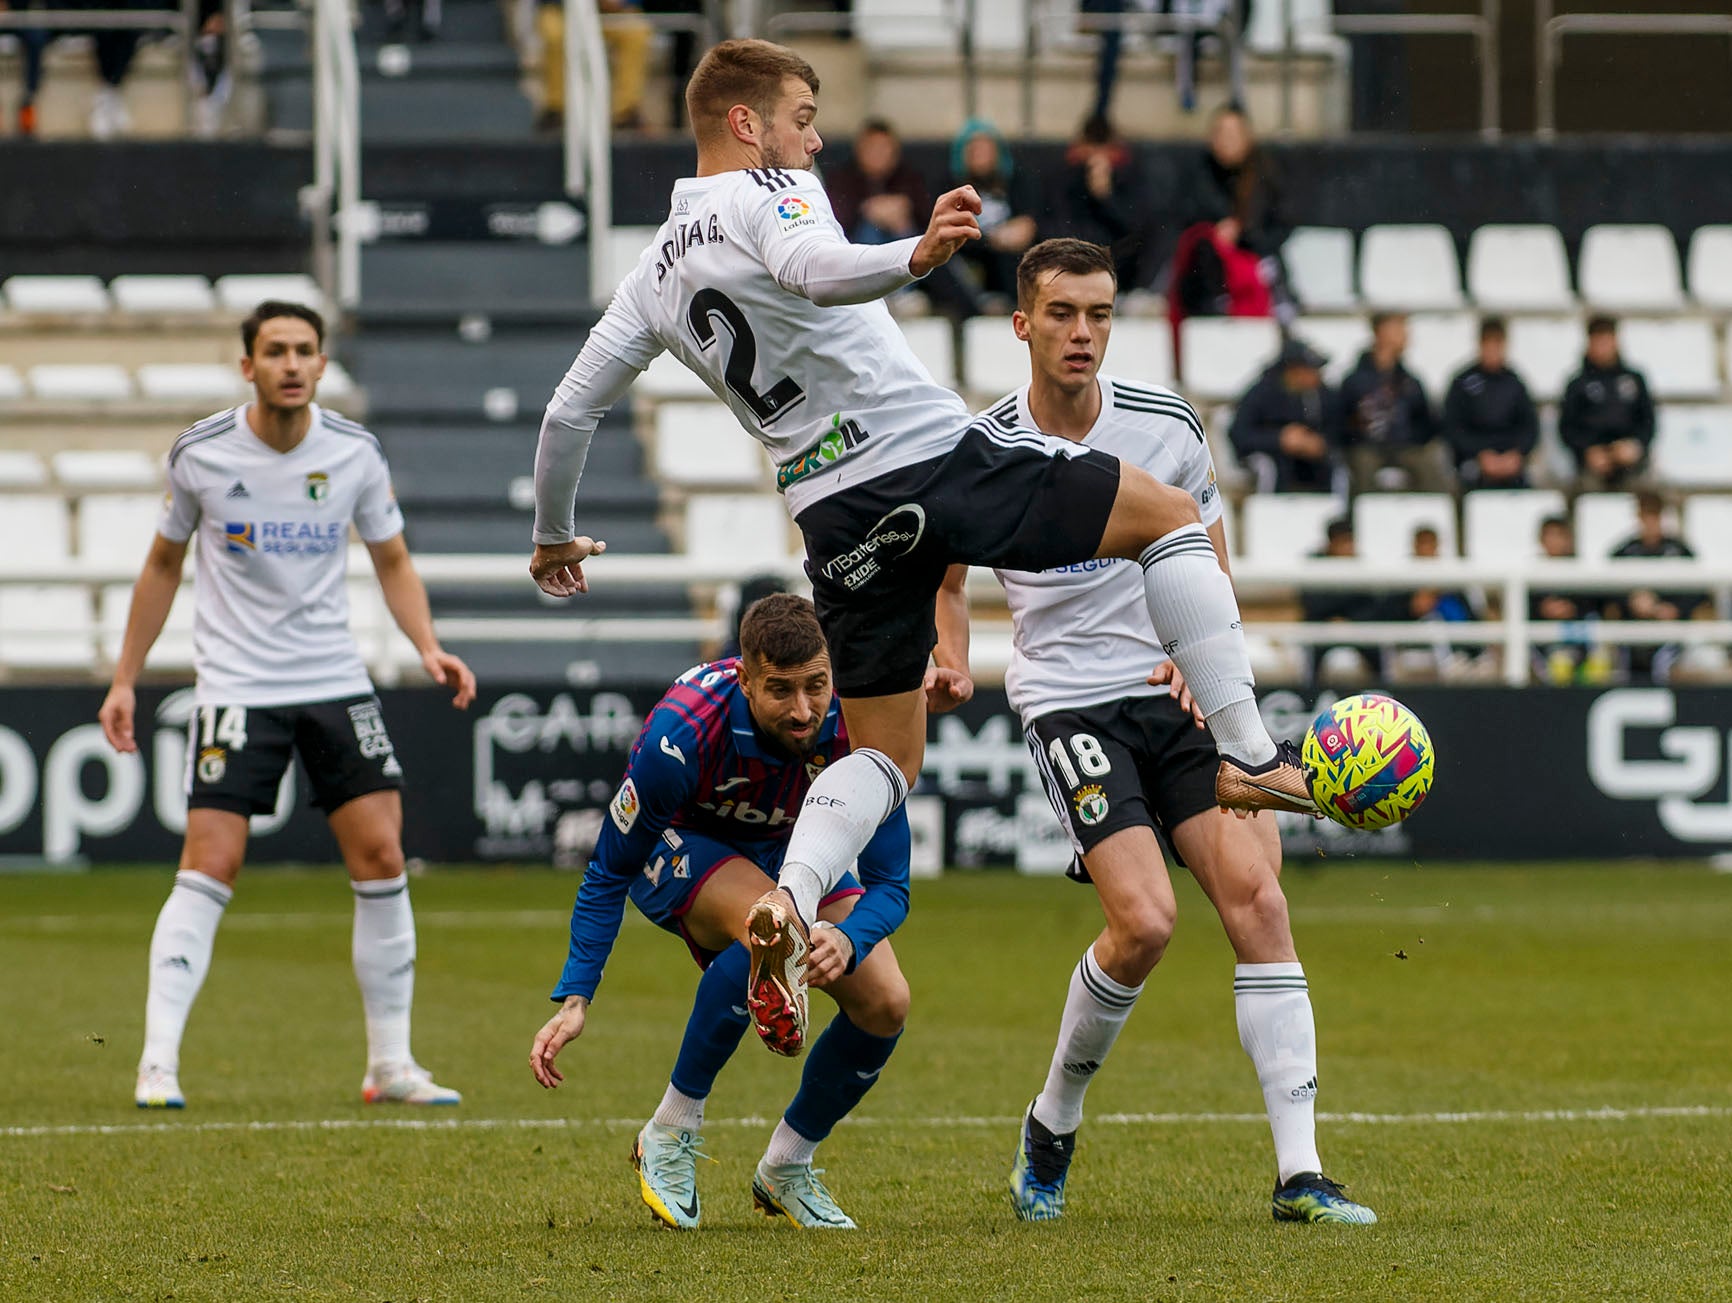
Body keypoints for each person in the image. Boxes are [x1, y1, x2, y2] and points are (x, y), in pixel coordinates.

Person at [529, 39, 1309, 1064]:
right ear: (747, 124)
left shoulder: (649, 276)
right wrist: (913, 257)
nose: (815, 136)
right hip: (926, 464)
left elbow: (569, 409)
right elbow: (813, 268)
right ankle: (1248, 755)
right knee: (1166, 514)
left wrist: (551, 536)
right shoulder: (770, 188)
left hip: (832, 519)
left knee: (885, 756)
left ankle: (791, 900)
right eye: (803, 114)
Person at [953, 237, 1374, 1225]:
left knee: (1260, 903)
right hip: (1066, 696)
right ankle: (1051, 1123)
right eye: (1061, 314)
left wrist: (1205, 668)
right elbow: (943, 568)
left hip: (1173, 691)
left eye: (1098, 314)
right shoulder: (985, 446)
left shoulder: (1168, 424)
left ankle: (1299, 1173)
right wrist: (941, 649)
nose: (1081, 332)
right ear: (1023, 324)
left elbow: (1208, 567)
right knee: (1144, 923)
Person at [99, 300, 477, 1110]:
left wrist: (426, 644)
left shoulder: (354, 454)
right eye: (276, 351)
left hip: (335, 678)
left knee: (380, 856)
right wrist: (126, 677)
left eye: (306, 350)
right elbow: (162, 565)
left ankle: (390, 1064)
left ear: (320, 362)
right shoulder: (201, 453)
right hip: (236, 685)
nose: (293, 364)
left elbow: (394, 558)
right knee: (210, 862)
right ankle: (157, 1062)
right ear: (249, 366)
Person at [528, 596, 913, 1230]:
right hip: (679, 847)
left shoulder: (863, 725)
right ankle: (669, 1130)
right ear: (744, 678)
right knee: (773, 921)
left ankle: (787, 1167)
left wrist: (849, 939)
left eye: (817, 686)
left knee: (886, 1002)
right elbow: (607, 870)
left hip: (791, 848)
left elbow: (891, 886)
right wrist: (577, 995)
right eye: (781, 691)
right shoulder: (681, 734)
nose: (803, 709)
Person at [825, 119, 979, 319]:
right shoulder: (842, 179)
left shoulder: (911, 178)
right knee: (871, 229)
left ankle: (906, 294)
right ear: (860, 150)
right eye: (872, 148)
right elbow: (836, 223)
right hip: (858, 257)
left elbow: (927, 219)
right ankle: (882, 295)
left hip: (909, 253)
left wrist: (902, 216)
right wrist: (868, 209)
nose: (878, 155)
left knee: (930, 245)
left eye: (884, 148)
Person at [1173, 104, 1288, 321]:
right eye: (1219, 133)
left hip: (1255, 261)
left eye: (1233, 134)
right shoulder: (1199, 176)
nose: (1226, 140)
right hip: (1211, 269)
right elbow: (1186, 221)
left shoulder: (1265, 178)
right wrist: (1217, 232)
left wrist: (1242, 233)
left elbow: (1280, 227)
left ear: (1247, 137)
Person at [1338, 312, 1451, 494]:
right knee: (1363, 463)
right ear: (1380, 332)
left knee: (1430, 464)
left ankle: (1435, 516)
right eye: (1398, 328)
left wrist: (1416, 438)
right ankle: (1364, 516)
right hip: (1368, 448)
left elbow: (1427, 420)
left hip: (1406, 447)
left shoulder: (1410, 381)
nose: (1406, 334)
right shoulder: (1355, 381)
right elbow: (1343, 420)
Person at [1606, 491, 1710, 682]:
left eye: (1655, 515)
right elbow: (1605, 588)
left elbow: (1700, 589)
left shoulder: (1679, 550)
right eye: (1646, 515)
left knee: (1669, 662)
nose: (1650, 522)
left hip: (1671, 628)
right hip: (1632, 627)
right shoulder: (1624, 552)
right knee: (1625, 660)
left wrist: (1675, 608)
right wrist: (1631, 602)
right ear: (1638, 517)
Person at [1229, 337, 1342, 494]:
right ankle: (1267, 512)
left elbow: (1337, 428)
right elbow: (1239, 434)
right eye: (1309, 370)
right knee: (1269, 467)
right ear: (1293, 370)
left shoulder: (1322, 394)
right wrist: (1279, 439)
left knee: (1332, 466)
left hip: (1307, 462)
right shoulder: (1261, 393)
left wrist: (1318, 443)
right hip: (1269, 456)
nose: (1316, 376)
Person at [949, 117, 1041, 307]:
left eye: (987, 149)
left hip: (1010, 258)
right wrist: (992, 238)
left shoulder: (1017, 182)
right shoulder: (950, 187)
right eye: (974, 150)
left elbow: (1029, 220)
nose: (982, 156)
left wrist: (1026, 227)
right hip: (974, 255)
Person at [1442, 317, 1537, 491]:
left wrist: (1516, 454)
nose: (1492, 351)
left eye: (1497, 345)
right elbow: (1453, 427)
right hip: (1473, 459)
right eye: (1488, 344)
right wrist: (1479, 454)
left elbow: (1529, 426)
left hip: (1509, 458)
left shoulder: (1515, 383)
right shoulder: (1463, 382)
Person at [1560, 316, 1655, 491]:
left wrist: (1636, 445)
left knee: (1647, 489)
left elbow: (1648, 421)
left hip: (1629, 459)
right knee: (1585, 491)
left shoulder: (1634, 380)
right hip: (1592, 461)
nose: (1603, 346)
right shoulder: (1577, 384)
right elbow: (1567, 427)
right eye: (1598, 340)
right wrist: (1586, 451)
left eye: (1607, 340)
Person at [1060, 113, 1150, 292]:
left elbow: (1135, 226)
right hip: (1073, 259)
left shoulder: (1132, 174)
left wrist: (1106, 198)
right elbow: (1058, 219)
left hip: (1119, 265)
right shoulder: (1065, 175)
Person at [536, 0, 652, 131]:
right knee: (554, 34)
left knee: (635, 31)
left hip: (609, 13)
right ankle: (556, 110)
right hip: (562, 10)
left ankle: (625, 112)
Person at [1529, 515, 1611, 685]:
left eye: (1560, 535)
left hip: (1580, 638)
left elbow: (1594, 604)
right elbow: (1526, 607)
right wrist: (1543, 609)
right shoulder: (1531, 574)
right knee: (1560, 666)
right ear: (1541, 540)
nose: (1555, 541)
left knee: (1599, 665)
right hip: (1546, 642)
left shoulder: (1581, 573)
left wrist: (1572, 608)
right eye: (1550, 536)